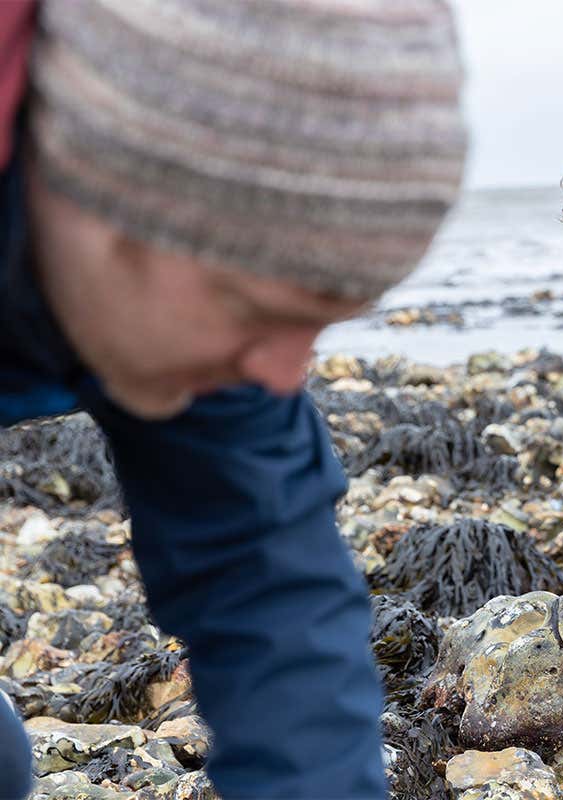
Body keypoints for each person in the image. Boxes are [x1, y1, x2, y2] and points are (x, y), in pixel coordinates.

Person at [0, 1, 465, 797]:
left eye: (318, 322)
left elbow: (271, 594)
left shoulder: (202, 297)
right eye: (259, 314)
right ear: (109, 212)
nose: (287, 376)